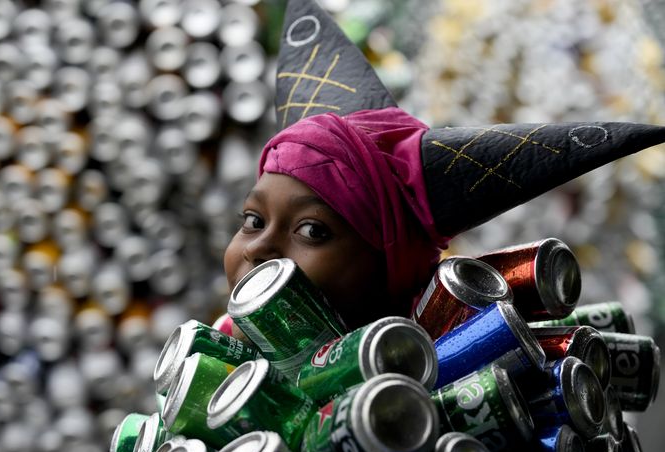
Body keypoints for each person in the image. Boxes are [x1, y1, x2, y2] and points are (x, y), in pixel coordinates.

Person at [217, 0, 665, 335]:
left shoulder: (444, 391)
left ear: (390, 265)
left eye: (313, 230)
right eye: (253, 221)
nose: (258, 249)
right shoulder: (222, 350)